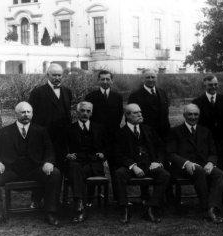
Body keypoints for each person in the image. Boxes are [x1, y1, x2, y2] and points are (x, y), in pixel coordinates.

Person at [0, 102, 62, 227]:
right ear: (16, 114)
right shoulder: (5, 131)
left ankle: (50, 212)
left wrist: (48, 162)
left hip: (34, 170)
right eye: (23, 112)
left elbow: (49, 150)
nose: (26, 115)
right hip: (11, 171)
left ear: (32, 114)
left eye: (28, 112)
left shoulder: (40, 131)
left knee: (55, 173)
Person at [167, 104, 223, 224]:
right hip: (182, 168)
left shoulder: (205, 131)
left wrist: (210, 162)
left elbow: (213, 152)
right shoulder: (175, 131)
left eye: (196, 114)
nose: (193, 117)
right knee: (198, 171)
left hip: (203, 165)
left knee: (219, 174)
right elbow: (171, 153)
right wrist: (186, 162)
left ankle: (212, 207)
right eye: (190, 114)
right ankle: (205, 208)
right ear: (184, 115)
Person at [113, 103, 171, 224]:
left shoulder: (148, 129)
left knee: (164, 175)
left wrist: (158, 162)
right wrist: (133, 166)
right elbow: (117, 155)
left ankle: (151, 207)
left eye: (140, 112)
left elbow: (161, 147)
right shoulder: (119, 133)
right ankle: (124, 209)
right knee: (118, 174)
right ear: (127, 116)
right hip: (130, 167)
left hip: (149, 165)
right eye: (136, 113)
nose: (140, 114)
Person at [28, 63, 72, 208]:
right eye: (54, 75)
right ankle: (36, 198)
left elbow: (67, 114)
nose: (57, 78)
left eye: (60, 75)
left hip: (61, 138)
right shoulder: (38, 92)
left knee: (58, 168)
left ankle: (54, 199)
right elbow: (32, 117)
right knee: (42, 167)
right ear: (48, 75)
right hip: (43, 138)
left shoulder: (67, 91)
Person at [128, 69, 170, 201]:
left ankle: (166, 194)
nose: (151, 80)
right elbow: (133, 116)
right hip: (144, 135)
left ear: (156, 78)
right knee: (144, 162)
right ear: (143, 79)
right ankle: (145, 194)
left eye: (153, 77)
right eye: (148, 78)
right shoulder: (136, 95)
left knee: (163, 162)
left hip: (162, 134)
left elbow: (165, 114)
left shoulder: (162, 93)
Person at [192, 75, 223, 203]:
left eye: (215, 84)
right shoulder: (197, 102)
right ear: (204, 85)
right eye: (210, 85)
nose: (213, 87)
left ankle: (222, 197)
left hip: (222, 142)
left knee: (221, 168)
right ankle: (208, 197)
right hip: (205, 142)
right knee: (207, 168)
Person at [65, 101, 107, 223]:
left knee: (76, 172)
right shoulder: (69, 129)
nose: (85, 113)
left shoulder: (99, 128)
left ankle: (79, 204)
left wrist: (104, 153)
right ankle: (81, 205)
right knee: (74, 167)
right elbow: (62, 146)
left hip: (94, 164)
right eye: (82, 111)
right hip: (77, 161)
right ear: (77, 112)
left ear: (92, 113)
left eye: (88, 111)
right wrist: (67, 154)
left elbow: (107, 145)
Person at [85, 70, 123, 201]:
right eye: (103, 79)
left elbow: (119, 116)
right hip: (96, 137)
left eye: (108, 79)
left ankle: (118, 196)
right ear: (98, 80)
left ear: (111, 80)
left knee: (115, 165)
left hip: (113, 136)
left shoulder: (117, 97)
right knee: (95, 165)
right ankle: (91, 196)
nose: (105, 81)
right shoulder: (91, 96)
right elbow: (88, 117)